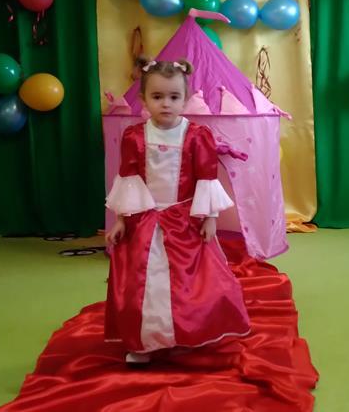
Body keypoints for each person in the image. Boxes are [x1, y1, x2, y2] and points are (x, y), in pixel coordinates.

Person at [104, 56, 250, 364]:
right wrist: (120, 220)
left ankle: (185, 334)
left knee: (187, 282)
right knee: (143, 283)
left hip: (184, 222)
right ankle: (144, 342)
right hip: (144, 221)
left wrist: (210, 218)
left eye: (174, 97)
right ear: (144, 99)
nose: (166, 104)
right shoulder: (134, 136)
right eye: (157, 97)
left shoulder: (197, 135)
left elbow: (206, 178)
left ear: (185, 99)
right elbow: (129, 180)